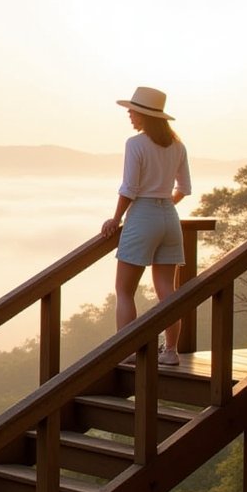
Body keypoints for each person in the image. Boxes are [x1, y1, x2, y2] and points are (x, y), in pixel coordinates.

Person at [100, 86, 192, 366]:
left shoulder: (135, 144)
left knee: (125, 290)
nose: (129, 113)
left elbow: (129, 188)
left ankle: (126, 352)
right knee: (167, 289)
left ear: (144, 115)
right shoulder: (177, 145)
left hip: (142, 216)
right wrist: (163, 208)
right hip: (169, 217)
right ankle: (171, 352)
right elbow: (184, 189)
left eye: (133, 110)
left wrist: (116, 219)